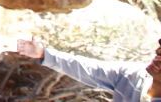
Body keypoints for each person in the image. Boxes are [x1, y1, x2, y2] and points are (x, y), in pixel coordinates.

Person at [17, 37, 161, 102]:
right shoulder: (133, 76)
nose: (157, 56)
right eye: (160, 51)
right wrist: (43, 53)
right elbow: (90, 69)